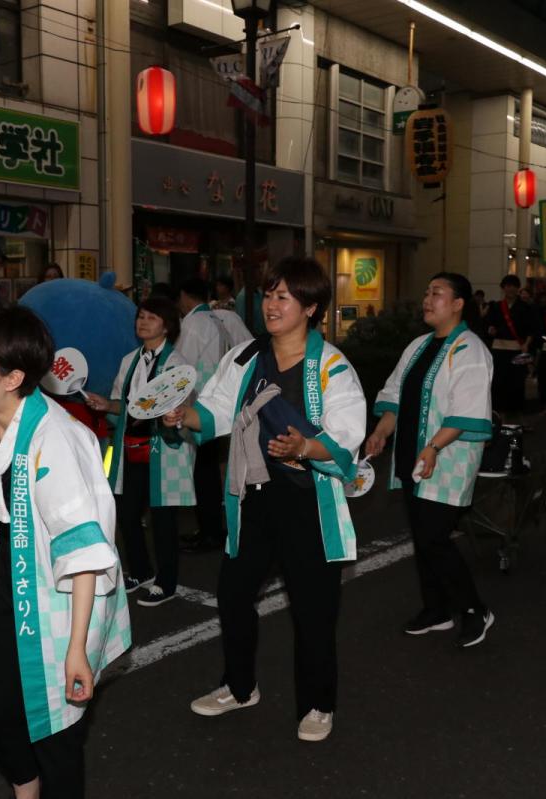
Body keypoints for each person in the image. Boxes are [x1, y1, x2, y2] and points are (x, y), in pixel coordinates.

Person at [164, 256, 366, 743]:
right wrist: (182, 415)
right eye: (269, 295)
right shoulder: (246, 357)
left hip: (306, 503)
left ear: (311, 308)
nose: (271, 306)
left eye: (283, 297)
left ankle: (319, 703)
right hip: (253, 499)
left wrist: (304, 447)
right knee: (233, 596)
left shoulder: (332, 367)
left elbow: (345, 436)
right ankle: (238, 687)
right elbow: (214, 409)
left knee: (313, 610)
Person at [0, 303, 130, 799]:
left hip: (60, 604)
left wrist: (76, 652)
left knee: (55, 732)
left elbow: (84, 552)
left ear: (13, 378)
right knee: (3, 706)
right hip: (7, 582)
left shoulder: (57, 441)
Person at [366, 271, 496, 646]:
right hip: (413, 457)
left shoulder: (470, 350)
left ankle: (475, 610)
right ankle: (436, 609)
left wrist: (435, 446)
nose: (428, 298)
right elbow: (394, 397)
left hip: (447, 459)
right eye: (426, 291)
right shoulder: (418, 346)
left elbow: (468, 409)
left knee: (435, 537)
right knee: (423, 538)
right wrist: (380, 432)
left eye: (437, 293)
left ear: (457, 304)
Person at [85, 297, 196, 605]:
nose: (143, 321)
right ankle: (142, 570)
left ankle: (167, 581)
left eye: (151, 317)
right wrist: (107, 405)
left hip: (164, 451)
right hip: (132, 448)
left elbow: (179, 409)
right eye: (140, 316)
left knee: (163, 518)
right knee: (127, 513)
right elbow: (125, 404)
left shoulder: (177, 364)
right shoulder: (129, 360)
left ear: (167, 325)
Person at [175, 278, 229, 552]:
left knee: (203, 472)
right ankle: (212, 529)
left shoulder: (193, 324)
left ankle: (210, 533)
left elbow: (181, 368)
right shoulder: (216, 318)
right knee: (208, 470)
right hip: (216, 402)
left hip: (200, 403)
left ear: (184, 296)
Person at [482, 274, 536, 419]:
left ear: (518, 288)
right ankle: (500, 416)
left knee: (518, 383)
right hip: (498, 349)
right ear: (503, 288)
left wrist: (526, 344)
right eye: (507, 285)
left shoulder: (525, 307)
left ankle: (519, 416)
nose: (510, 288)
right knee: (499, 382)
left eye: (513, 285)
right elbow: (487, 324)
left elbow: (532, 329)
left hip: (518, 350)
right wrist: (490, 329)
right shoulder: (495, 306)